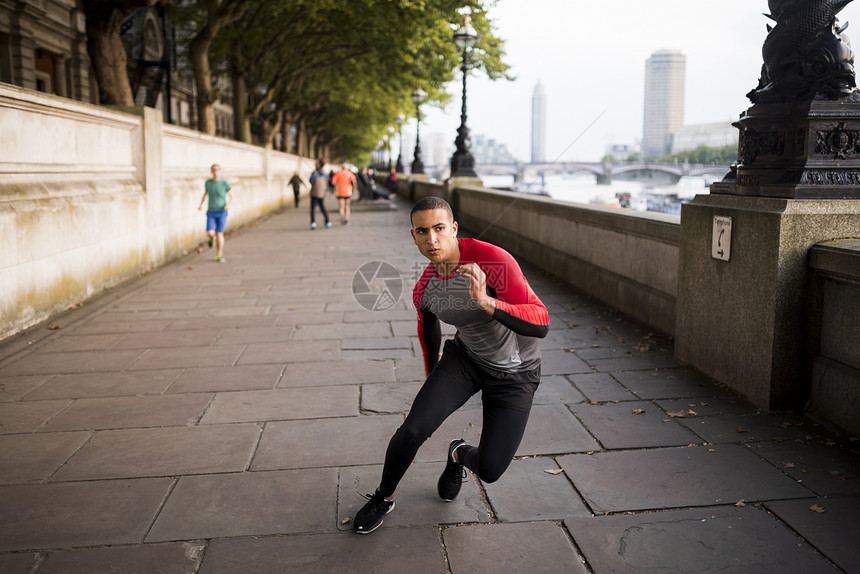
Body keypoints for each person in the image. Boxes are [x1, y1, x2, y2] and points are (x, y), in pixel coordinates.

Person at [352, 196, 549, 534]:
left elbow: (540, 322)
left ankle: (458, 453)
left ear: (454, 229)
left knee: (489, 469)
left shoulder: (494, 260)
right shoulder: (424, 289)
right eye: (423, 231)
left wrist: (487, 302)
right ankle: (384, 497)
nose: (432, 239)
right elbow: (428, 328)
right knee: (413, 429)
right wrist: (432, 377)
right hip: (465, 361)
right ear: (412, 236)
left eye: (439, 228)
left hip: (516, 374)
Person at [198, 163, 233, 262]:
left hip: (222, 211)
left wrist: (229, 204)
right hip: (211, 211)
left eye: (217, 169)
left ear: (220, 171)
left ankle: (219, 253)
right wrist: (200, 204)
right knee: (210, 232)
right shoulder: (208, 183)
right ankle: (211, 238)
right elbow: (205, 194)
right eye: (213, 169)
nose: (215, 171)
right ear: (211, 171)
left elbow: (231, 196)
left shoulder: (224, 183)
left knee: (219, 233)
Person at [308, 159, 332, 230]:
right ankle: (327, 221)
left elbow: (310, 181)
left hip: (314, 193)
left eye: (316, 162)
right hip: (322, 194)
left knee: (312, 208)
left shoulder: (314, 173)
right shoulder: (325, 173)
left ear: (318, 164)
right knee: (322, 207)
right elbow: (328, 182)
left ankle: (313, 223)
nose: (315, 163)